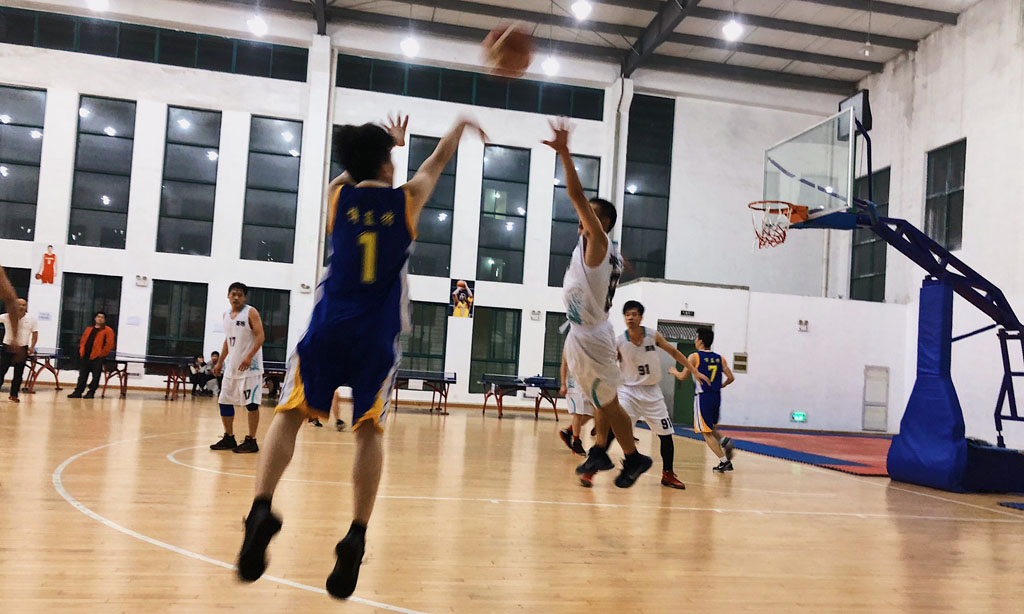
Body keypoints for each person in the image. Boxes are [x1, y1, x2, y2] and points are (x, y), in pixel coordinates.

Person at [235, 113, 485, 599]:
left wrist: (376, 150)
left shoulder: (338, 197)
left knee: (288, 415)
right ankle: (356, 534)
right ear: (388, 164)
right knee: (369, 431)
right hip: (377, 336)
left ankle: (261, 507)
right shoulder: (407, 201)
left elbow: (349, 172)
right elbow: (436, 162)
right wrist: (457, 125)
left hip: (329, 326)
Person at [544, 118, 705, 489]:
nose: (582, 217)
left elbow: (576, 196)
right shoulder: (596, 246)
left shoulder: (598, 241)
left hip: (592, 333)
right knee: (601, 402)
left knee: (607, 402)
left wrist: (565, 154)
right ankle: (607, 453)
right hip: (582, 332)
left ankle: (632, 457)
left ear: (602, 221)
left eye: (590, 213)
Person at [617, 300, 706, 489]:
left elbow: (674, 352)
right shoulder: (619, 342)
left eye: (634, 314)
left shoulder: (652, 335)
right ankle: (604, 465)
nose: (630, 318)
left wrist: (693, 370)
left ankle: (668, 474)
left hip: (652, 392)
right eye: (627, 314)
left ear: (641, 317)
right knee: (617, 429)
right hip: (629, 392)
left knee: (666, 435)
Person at [209, 283, 265, 454]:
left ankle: (251, 440)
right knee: (224, 401)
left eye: (240, 295)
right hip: (232, 367)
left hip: (250, 368)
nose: (236, 297)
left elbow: (261, 336)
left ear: (245, 297)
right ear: (228, 295)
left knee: (251, 404)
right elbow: (228, 341)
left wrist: (249, 357)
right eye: (233, 294)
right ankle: (229, 437)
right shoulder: (225, 315)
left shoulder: (251, 312)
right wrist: (220, 362)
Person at [672, 327, 736, 472]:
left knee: (705, 433)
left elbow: (682, 376)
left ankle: (724, 461)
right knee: (709, 427)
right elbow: (731, 378)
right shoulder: (720, 358)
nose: (695, 341)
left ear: (700, 341)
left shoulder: (694, 357)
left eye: (696, 338)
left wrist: (674, 371)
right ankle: (724, 441)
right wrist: (723, 384)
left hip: (703, 397)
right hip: (716, 396)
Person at [68, 311, 115, 399]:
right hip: (85, 355)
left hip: (97, 357)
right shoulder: (89, 329)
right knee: (82, 375)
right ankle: (78, 392)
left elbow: (109, 344)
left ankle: (91, 392)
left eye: (102, 317)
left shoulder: (108, 330)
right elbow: (83, 341)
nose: (100, 319)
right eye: (98, 317)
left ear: (105, 320)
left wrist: (101, 354)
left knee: (95, 376)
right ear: (95, 318)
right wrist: (81, 351)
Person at [0, 298, 37, 403]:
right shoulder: (6, 317)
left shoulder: (32, 319)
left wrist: (32, 347)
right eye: (19, 304)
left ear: (26, 307)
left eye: (23, 305)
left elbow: (35, 334)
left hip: (22, 349)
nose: (21, 307)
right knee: (1, 371)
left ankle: (14, 395)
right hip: (8, 347)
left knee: (18, 374)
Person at [558, 345, 591, 457]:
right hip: (572, 382)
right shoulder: (570, 345)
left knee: (591, 412)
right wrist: (563, 384)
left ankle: (568, 432)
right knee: (578, 412)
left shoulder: (589, 344)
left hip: (584, 382)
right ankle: (577, 443)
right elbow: (564, 365)